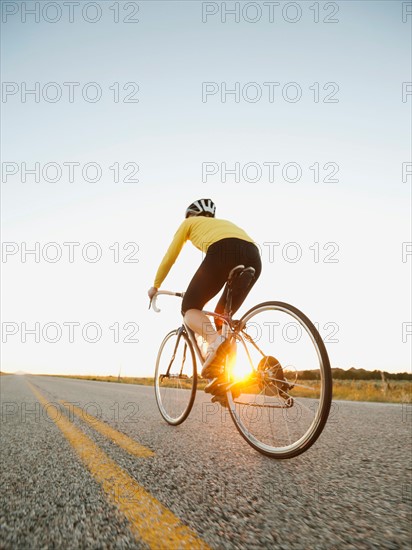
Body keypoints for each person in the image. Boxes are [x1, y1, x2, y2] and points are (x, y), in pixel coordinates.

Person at [148, 198, 261, 382]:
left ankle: (215, 343)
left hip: (224, 250)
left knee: (189, 308)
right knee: (222, 319)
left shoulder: (189, 222)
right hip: (254, 255)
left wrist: (156, 285)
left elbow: (171, 255)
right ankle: (228, 381)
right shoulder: (223, 223)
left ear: (191, 215)